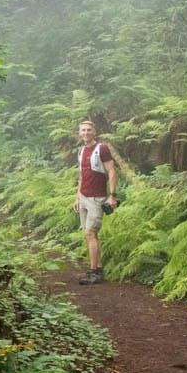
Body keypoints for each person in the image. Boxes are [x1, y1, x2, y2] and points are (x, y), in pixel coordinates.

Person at [73, 120, 117, 285]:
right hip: (84, 196)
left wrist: (112, 195)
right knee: (90, 234)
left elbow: (112, 171)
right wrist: (77, 197)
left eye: (89, 130)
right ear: (79, 133)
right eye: (83, 130)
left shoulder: (101, 149)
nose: (86, 133)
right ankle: (98, 269)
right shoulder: (81, 150)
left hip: (96, 198)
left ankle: (93, 272)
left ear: (94, 131)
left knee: (90, 233)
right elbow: (82, 176)